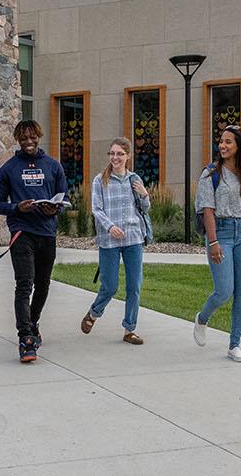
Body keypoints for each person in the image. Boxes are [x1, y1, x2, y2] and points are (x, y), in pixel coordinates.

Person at [0, 119, 66, 364]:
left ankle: (32, 322)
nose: (28, 142)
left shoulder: (53, 166)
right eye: (23, 138)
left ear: (39, 136)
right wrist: (17, 207)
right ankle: (25, 338)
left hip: (47, 233)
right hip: (22, 232)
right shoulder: (9, 169)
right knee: (24, 284)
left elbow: (63, 199)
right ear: (18, 140)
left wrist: (53, 210)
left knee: (43, 284)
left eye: (32, 137)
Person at [192, 125, 241, 362]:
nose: (223, 145)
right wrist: (213, 242)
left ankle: (234, 344)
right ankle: (202, 318)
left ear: (239, 146)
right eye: (221, 141)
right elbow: (207, 209)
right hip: (221, 233)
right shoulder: (210, 174)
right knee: (223, 291)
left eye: (229, 142)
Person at [81, 137, 150, 345]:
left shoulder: (134, 179)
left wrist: (145, 195)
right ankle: (94, 313)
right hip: (108, 239)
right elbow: (96, 210)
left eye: (120, 154)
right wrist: (110, 226)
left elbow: (144, 209)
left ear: (128, 156)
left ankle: (129, 329)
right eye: (112, 153)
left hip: (134, 238)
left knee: (134, 286)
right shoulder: (99, 180)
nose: (115, 157)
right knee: (110, 286)